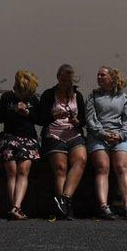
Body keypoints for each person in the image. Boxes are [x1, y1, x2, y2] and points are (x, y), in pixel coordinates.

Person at [35, 64, 87, 220]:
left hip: (74, 134)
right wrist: (53, 117)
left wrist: (77, 121)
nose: (65, 84)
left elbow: (83, 120)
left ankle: (64, 200)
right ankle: (65, 209)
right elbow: (39, 119)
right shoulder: (48, 95)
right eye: (63, 80)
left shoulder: (78, 95)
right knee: (60, 167)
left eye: (68, 81)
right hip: (54, 135)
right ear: (58, 78)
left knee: (81, 160)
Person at [86, 66, 127, 220]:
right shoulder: (93, 96)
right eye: (98, 75)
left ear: (111, 78)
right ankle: (103, 206)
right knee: (103, 167)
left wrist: (120, 135)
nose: (99, 77)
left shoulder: (123, 97)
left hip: (119, 137)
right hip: (99, 137)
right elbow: (91, 120)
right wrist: (103, 134)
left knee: (121, 167)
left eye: (102, 75)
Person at [0, 70, 42, 220]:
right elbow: (0, 118)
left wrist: (27, 113)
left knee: (23, 170)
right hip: (9, 137)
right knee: (12, 170)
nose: (23, 95)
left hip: (28, 139)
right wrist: (14, 111)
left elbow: (40, 119)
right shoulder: (7, 97)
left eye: (26, 92)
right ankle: (16, 207)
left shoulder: (33, 100)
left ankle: (16, 207)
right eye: (21, 91)